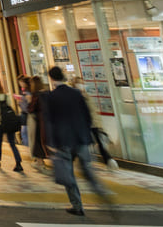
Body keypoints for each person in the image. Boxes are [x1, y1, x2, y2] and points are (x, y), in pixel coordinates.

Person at [42, 66, 109, 216]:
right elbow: (87, 116)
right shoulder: (76, 93)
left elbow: (49, 121)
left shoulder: (51, 97)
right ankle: (101, 193)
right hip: (81, 138)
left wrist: (50, 143)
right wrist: (86, 134)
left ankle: (77, 205)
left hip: (63, 141)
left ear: (51, 79)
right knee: (87, 171)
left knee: (68, 174)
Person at [70, 76, 118, 170]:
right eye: (79, 83)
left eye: (82, 83)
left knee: (98, 142)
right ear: (75, 85)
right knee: (81, 143)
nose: (81, 85)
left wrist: (98, 124)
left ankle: (108, 160)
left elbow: (93, 111)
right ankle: (76, 161)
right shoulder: (75, 96)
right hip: (83, 124)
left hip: (92, 123)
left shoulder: (86, 96)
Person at [27, 76, 49, 173]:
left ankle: (40, 163)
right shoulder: (47, 93)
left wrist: (28, 101)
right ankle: (40, 162)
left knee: (37, 142)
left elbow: (31, 109)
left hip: (39, 123)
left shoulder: (36, 95)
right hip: (48, 122)